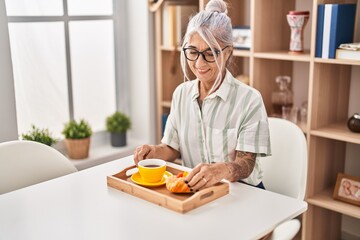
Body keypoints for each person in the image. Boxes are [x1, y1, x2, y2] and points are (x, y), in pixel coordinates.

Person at [134, 0, 271, 191]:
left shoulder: (249, 100)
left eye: (210, 53)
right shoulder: (181, 94)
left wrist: (221, 170)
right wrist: (154, 152)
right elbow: (173, 148)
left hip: (244, 192)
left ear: (228, 51)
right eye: (193, 51)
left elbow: (246, 164)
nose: (199, 63)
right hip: (198, 191)